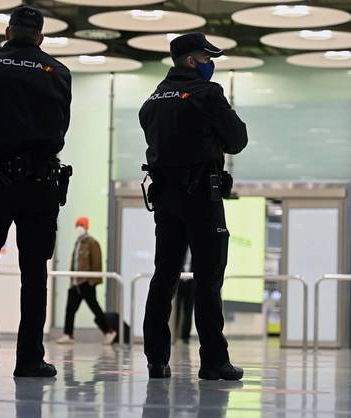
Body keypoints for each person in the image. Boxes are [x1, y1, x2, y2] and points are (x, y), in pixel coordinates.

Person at [0, 5, 72, 378]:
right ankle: (29, 358)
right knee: (34, 271)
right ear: (41, 38)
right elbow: (62, 127)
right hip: (40, 184)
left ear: (8, 33)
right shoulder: (58, 72)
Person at [139, 32, 248, 380]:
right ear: (191, 60)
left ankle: (157, 359)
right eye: (205, 57)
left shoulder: (153, 100)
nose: (209, 64)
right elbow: (237, 140)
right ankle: (214, 361)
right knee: (208, 279)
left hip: (166, 200)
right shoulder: (208, 93)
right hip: (202, 198)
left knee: (164, 276)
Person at [56, 217, 117, 345]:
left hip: (86, 282)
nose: (79, 227)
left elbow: (97, 264)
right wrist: (72, 279)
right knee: (70, 309)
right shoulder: (77, 243)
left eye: (81, 225)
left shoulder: (92, 243)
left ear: (86, 226)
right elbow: (75, 263)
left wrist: (92, 281)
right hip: (75, 283)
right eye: (77, 224)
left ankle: (109, 331)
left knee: (94, 307)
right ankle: (68, 334)